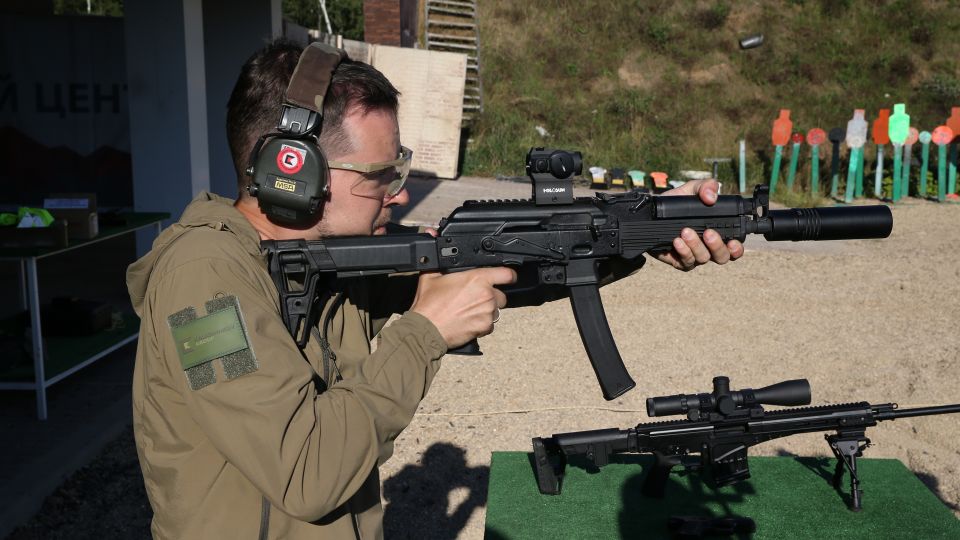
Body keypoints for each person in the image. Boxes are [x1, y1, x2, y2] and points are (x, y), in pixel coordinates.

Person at [125, 39, 742, 539]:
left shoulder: (317, 261)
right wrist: (424, 334)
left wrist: (637, 232)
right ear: (292, 171)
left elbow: (503, 261)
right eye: (381, 174)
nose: (397, 194)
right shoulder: (200, 282)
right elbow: (306, 472)